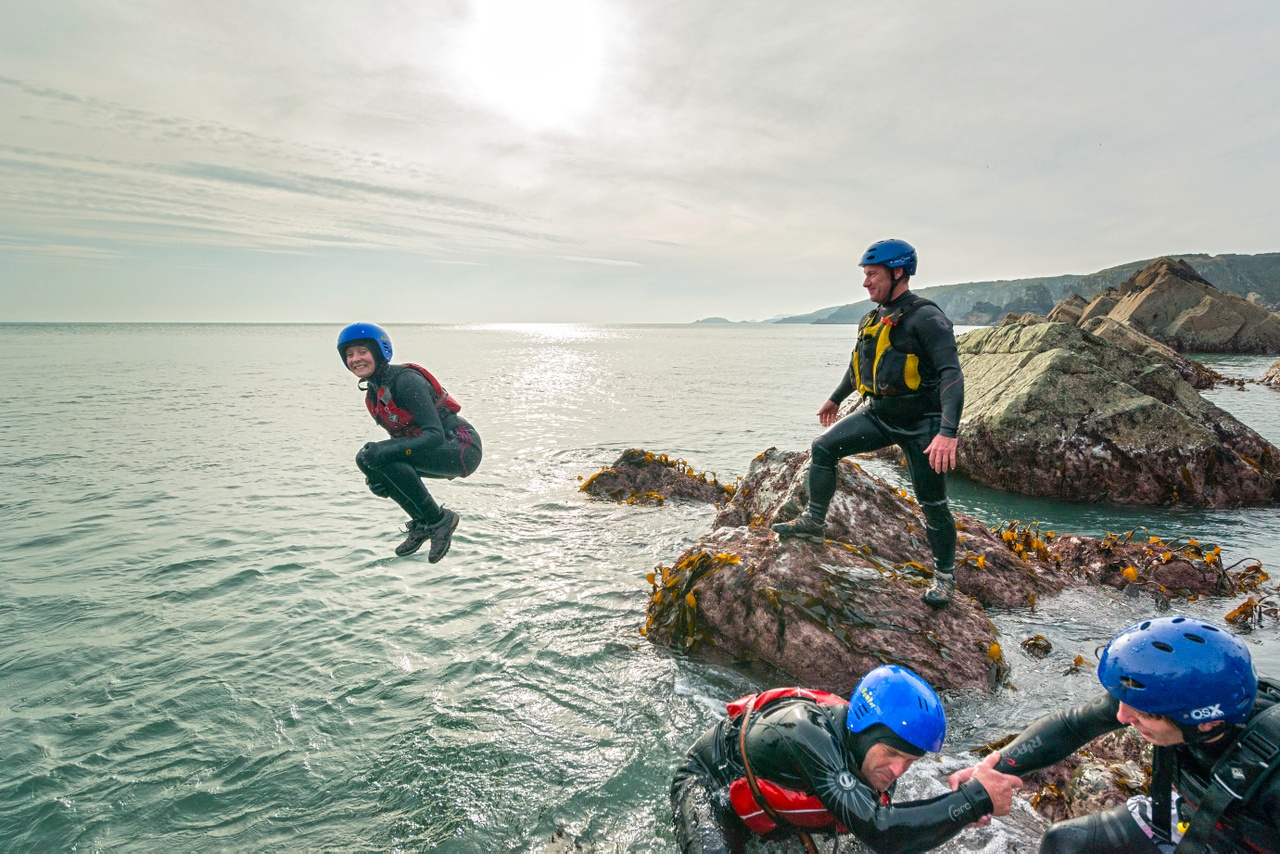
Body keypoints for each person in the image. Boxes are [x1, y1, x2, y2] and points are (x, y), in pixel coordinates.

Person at [948, 616, 1280, 853]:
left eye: (1141, 713)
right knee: (1065, 842)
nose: (1122, 716)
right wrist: (991, 772)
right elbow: (1073, 724)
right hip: (1195, 822)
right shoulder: (1169, 700)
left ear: (1205, 722)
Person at [771, 239, 965, 608]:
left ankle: (944, 576)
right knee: (823, 447)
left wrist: (947, 432)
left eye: (872, 275)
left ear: (898, 273)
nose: (865, 283)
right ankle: (814, 523)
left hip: (922, 423)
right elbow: (858, 362)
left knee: (934, 504)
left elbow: (952, 375)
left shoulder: (928, 318)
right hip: (878, 413)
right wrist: (836, 397)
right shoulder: (872, 318)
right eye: (864, 275)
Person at [671, 664, 1022, 853]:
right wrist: (972, 800)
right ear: (862, 730)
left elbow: (880, 837)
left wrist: (953, 816)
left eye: (911, 761)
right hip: (710, 784)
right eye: (892, 753)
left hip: (778, 804)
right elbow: (882, 832)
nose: (898, 770)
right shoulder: (802, 732)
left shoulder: (876, 762)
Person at [337, 322, 482, 560]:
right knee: (367, 459)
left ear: (379, 351)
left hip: (462, 446)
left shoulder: (405, 381)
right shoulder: (374, 395)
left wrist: (384, 459)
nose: (356, 359)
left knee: (377, 455)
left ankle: (439, 521)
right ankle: (424, 523)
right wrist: (379, 478)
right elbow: (400, 446)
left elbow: (433, 435)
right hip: (439, 448)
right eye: (349, 355)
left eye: (362, 351)